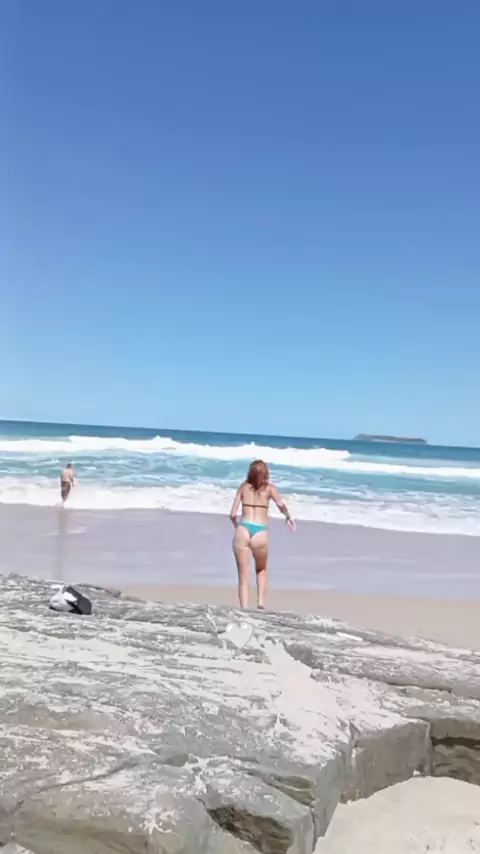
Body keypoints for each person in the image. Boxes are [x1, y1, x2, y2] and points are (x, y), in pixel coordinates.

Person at [229, 459, 295, 610]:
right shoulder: (270, 489)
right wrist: (288, 516)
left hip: (243, 530)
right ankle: (260, 602)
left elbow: (232, 514)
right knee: (261, 569)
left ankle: (244, 609)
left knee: (243, 576)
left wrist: (237, 527)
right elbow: (281, 505)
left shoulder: (243, 487)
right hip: (260, 531)